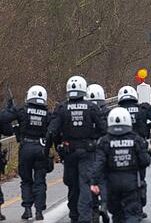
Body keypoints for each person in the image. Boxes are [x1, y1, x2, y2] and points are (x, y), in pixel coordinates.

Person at [48, 76, 106, 223]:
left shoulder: (61, 108)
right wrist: (95, 141)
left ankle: (74, 216)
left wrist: (56, 147)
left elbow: (52, 132)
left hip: (69, 153)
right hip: (87, 152)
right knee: (85, 184)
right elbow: (104, 128)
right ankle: (85, 217)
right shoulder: (91, 107)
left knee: (72, 186)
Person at [90, 107, 150, 223]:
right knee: (132, 213)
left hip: (112, 185)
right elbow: (145, 161)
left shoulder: (104, 141)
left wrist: (94, 182)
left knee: (117, 216)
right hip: (131, 183)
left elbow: (99, 164)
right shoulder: (135, 139)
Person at [0, 85, 51, 220]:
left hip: (26, 147)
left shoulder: (23, 111)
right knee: (40, 181)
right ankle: (39, 211)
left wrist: (10, 108)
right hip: (41, 148)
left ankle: (27, 209)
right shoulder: (47, 114)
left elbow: (3, 118)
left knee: (26, 180)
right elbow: (55, 130)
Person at [117, 86, 151, 218]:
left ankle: (123, 208)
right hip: (140, 148)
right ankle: (139, 208)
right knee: (140, 178)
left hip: (120, 148)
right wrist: (147, 127)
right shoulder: (143, 109)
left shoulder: (116, 111)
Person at [85, 84, 110, 223]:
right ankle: (104, 205)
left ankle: (94, 209)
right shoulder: (108, 113)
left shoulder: (86, 111)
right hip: (104, 149)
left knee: (91, 179)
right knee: (104, 179)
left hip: (88, 150)